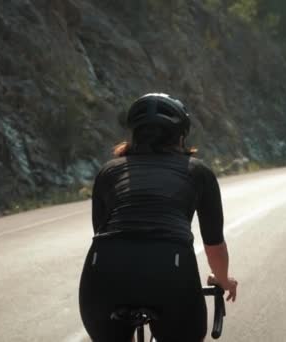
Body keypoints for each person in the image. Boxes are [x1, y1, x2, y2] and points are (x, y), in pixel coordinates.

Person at [78, 93, 238, 342]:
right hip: (170, 270)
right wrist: (223, 279)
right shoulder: (198, 172)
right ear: (182, 136)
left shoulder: (108, 172)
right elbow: (213, 244)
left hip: (103, 270)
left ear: (133, 133)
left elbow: (101, 229)